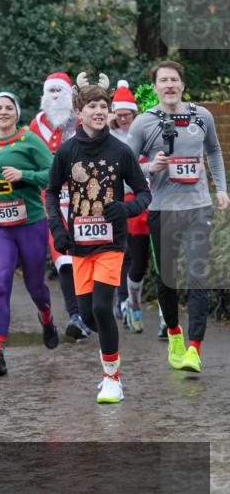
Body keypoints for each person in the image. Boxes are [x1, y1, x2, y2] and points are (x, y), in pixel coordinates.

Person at [46, 77, 150, 403]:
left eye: (104, 106)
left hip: (111, 243)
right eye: (92, 106)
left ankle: (112, 378)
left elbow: (145, 193)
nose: (99, 111)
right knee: (89, 316)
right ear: (79, 111)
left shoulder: (120, 151)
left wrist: (126, 208)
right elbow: (50, 192)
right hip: (79, 244)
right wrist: (58, 229)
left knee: (104, 308)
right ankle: (108, 369)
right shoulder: (67, 151)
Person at [126, 60, 229, 372]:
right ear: (155, 87)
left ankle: (194, 349)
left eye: (174, 80)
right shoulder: (144, 122)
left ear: (183, 84)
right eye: (163, 81)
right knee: (168, 280)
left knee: (198, 277)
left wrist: (221, 189)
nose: (169, 85)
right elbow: (127, 163)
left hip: (198, 207)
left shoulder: (202, 116)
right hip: (161, 210)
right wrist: (149, 167)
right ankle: (174, 334)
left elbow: (213, 150)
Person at [0, 91, 60, 376]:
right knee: (2, 283)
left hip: (30, 220)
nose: (4, 112)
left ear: (17, 113)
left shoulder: (29, 140)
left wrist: (25, 175)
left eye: (9, 108)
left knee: (34, 284)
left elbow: (54, 172)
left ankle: (46, 317)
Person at [28, 72, 90, 342]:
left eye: (59, 91)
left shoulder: (82, 121)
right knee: (64, 259)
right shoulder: (35, 125)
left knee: (86, 258)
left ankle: (91, 313)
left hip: (86, 198)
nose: (54, 96)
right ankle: (75, 316)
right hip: (51, 199)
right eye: (50, 91)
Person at [108, 79, 150, 331]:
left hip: (142, 201)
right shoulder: (109, 135)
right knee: (121, 253)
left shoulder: (145, 133)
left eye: (128, 115)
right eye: (120, 115)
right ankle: (122, 299)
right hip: (116, 201)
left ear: (135, 114)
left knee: (137, 255)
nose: (124, 119)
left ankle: (128, 298)